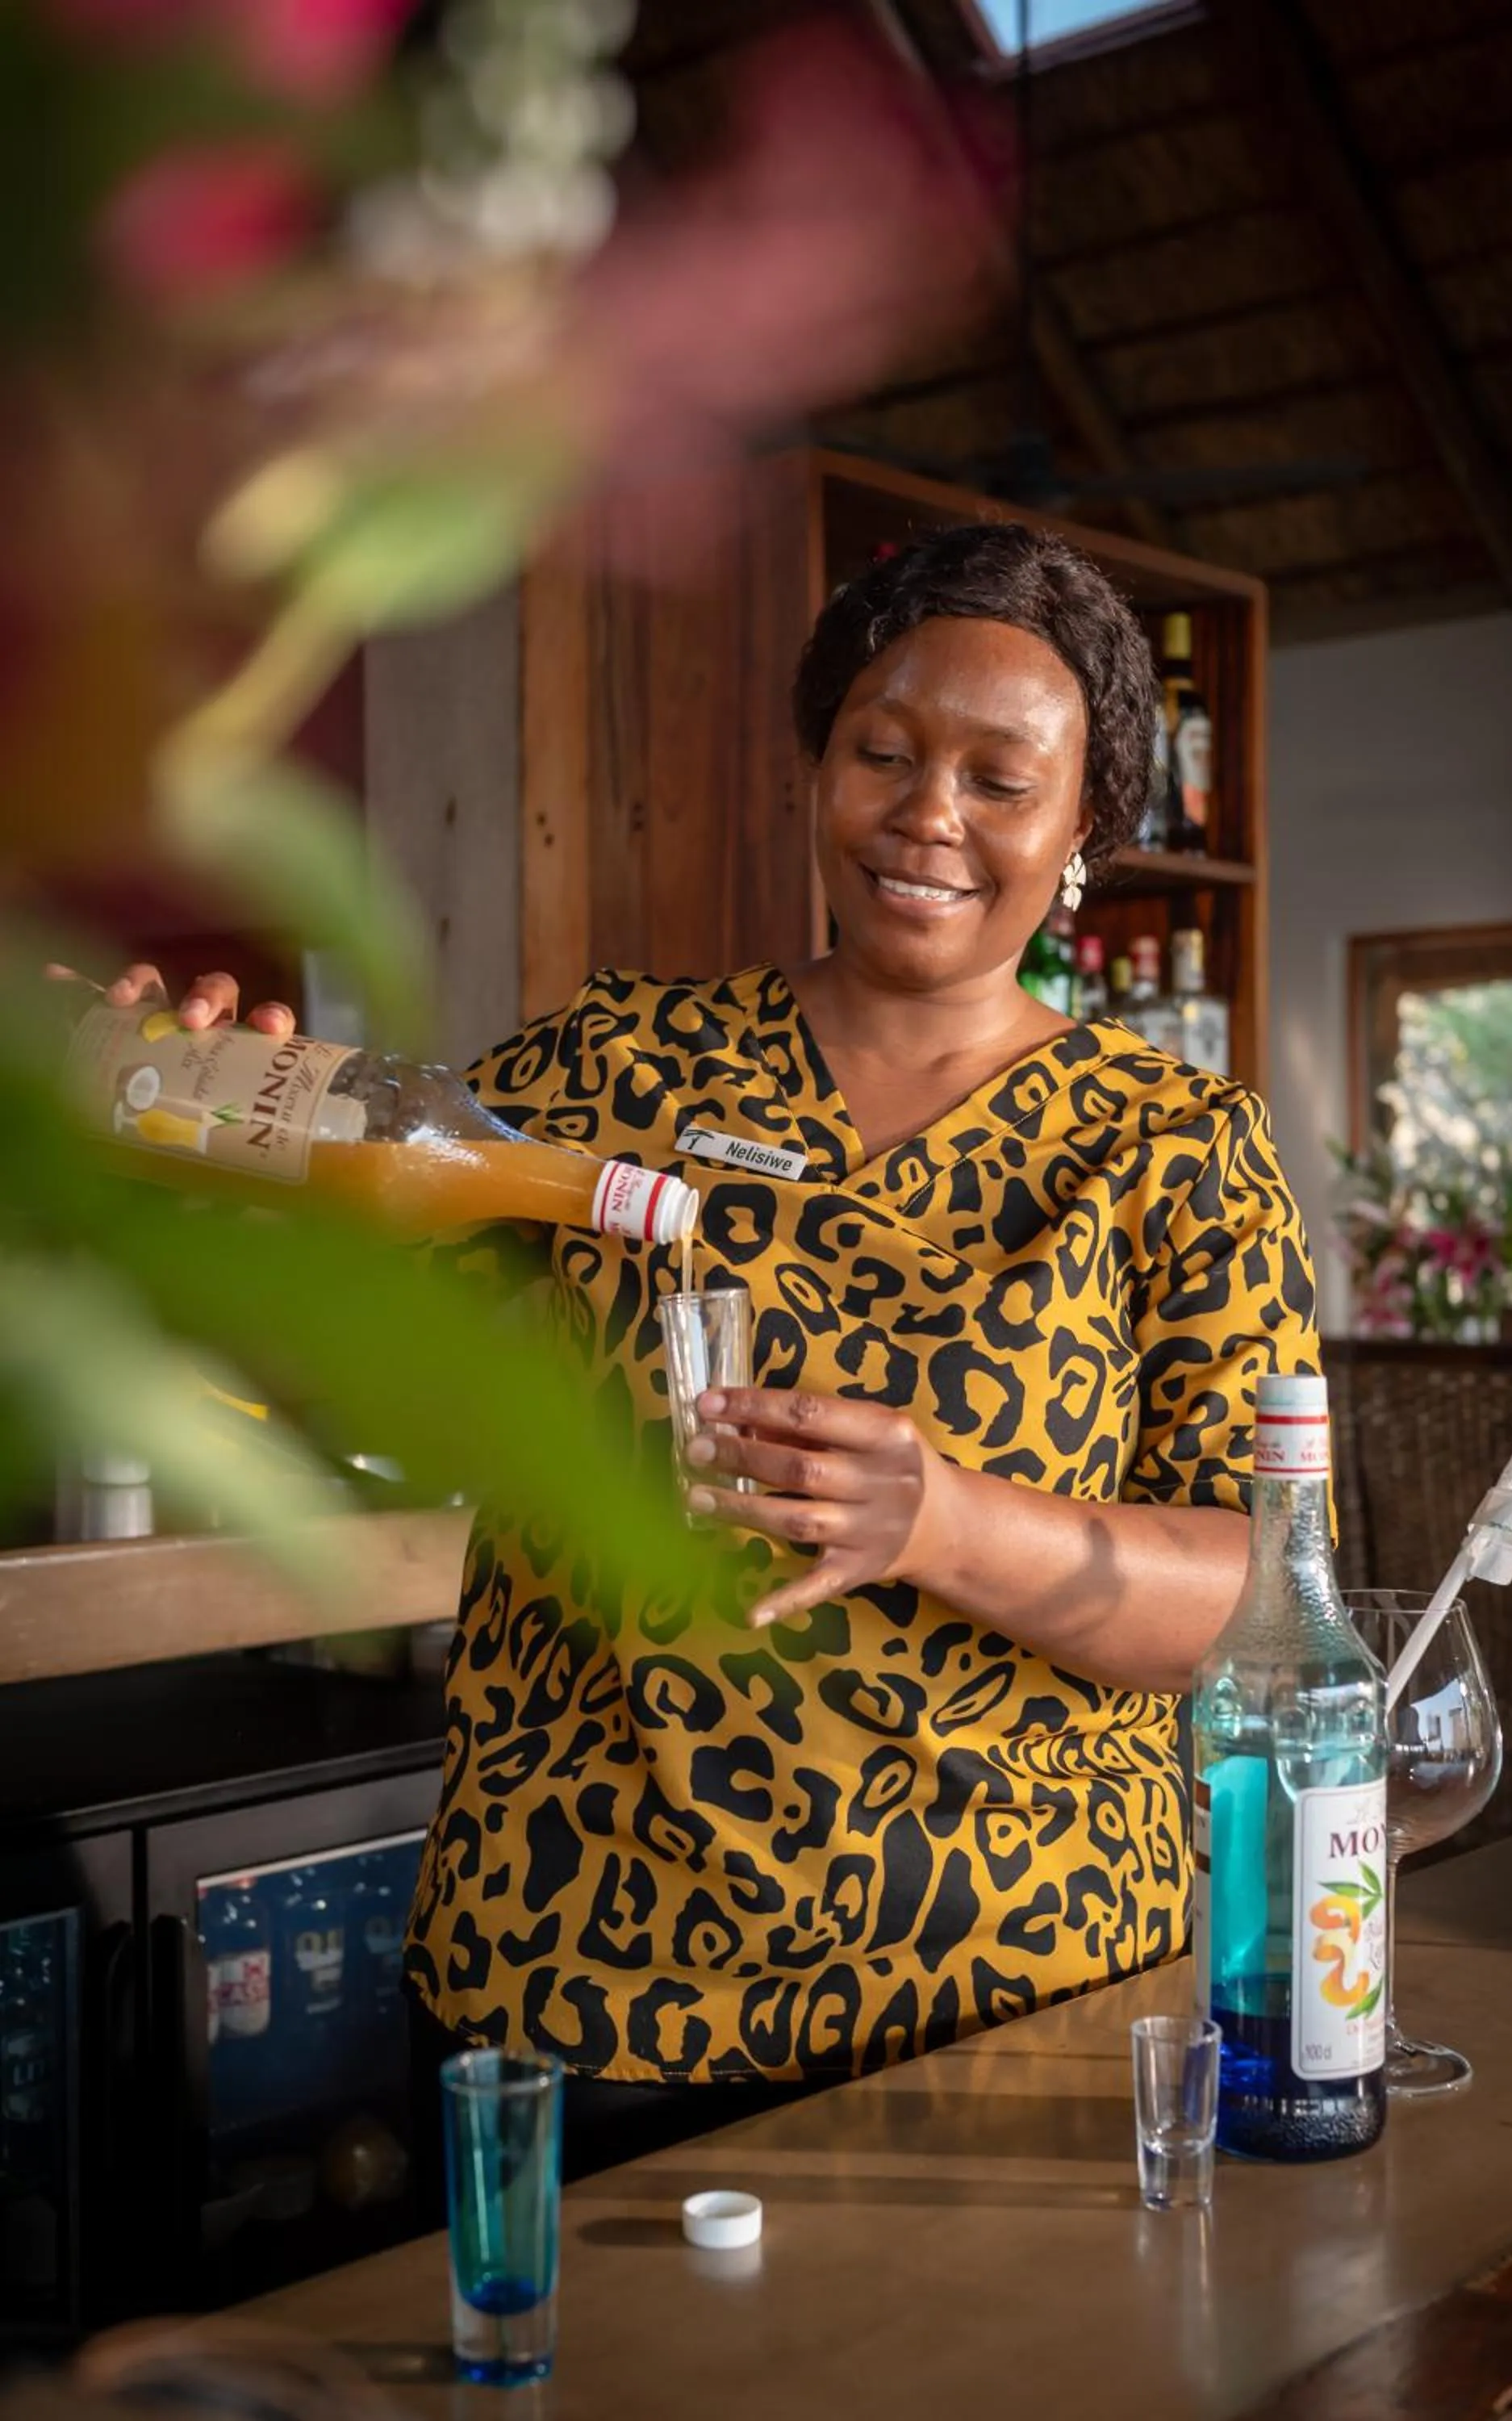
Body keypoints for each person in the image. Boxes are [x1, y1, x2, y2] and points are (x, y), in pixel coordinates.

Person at [98, 522, 1321, 2185]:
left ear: (1088, 823)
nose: (926, 817)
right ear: (815, 768)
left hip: (1013, 2010)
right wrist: (221, 1196)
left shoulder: (1172, 1145)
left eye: (995, 779)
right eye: (881, 753)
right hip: (575, 1977)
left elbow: (1259, 1605)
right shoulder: (619, 1065)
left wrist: (937, 1520)